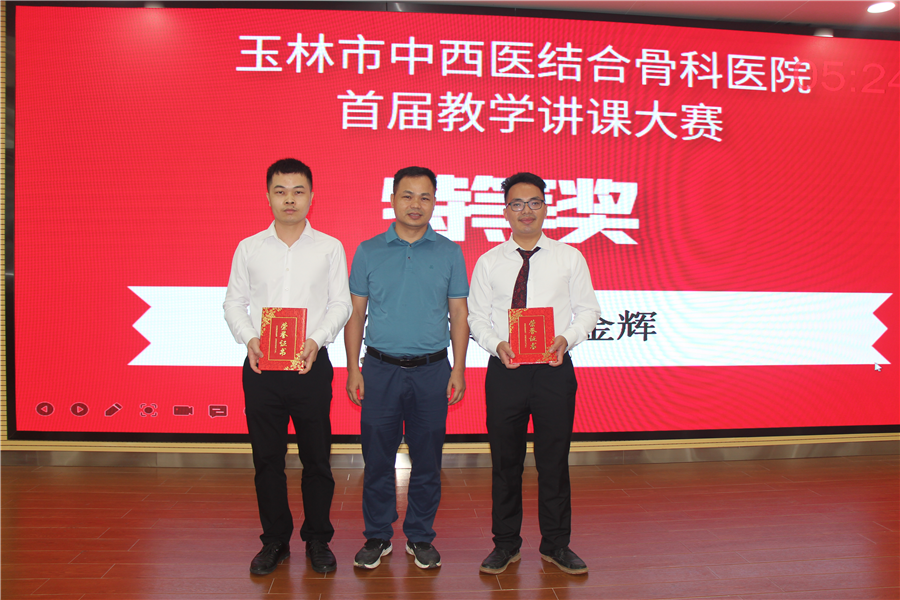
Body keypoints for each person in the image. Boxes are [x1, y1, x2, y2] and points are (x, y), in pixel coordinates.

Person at [467, 172, 602, 576]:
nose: (526, 211)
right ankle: (505, 544)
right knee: (505, 462)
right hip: (505, 370)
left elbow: (589, 311)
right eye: (517, 204)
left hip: (553, 370)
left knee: (553, 461)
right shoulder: (489, 261)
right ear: (505, 211)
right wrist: (496, 344)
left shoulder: (569, 257)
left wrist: (567, 338)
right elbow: (476, 317)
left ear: (546, 208)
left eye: (534, 203)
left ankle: (556, 544)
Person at [223, 158, 351, 575]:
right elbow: (233, 303)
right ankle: (275, 541)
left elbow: (341, 303)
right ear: (268, 196)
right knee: (267, 460)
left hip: (311, 366)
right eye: (281, 191)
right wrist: (250, 338)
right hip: (262, 368)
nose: (290, 199)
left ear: (312, 196)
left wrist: (317, 339)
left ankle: (318, 539)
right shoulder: (249, 248)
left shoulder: (329, 247)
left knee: (317, 458)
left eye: (298, 191)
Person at [345, 166, 469, 570]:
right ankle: (378, 535)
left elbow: (459, 314)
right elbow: (356, 314)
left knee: (428, 460)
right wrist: (352, 368)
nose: (416, 204)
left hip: (432, 371)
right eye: (408, 195)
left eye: (425, 197)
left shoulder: (450, 252)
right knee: (377, 460)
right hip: (379, 370)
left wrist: (459, 369)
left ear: (435, 202)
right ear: (393, 199)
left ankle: (420, 536)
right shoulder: (368, 251)